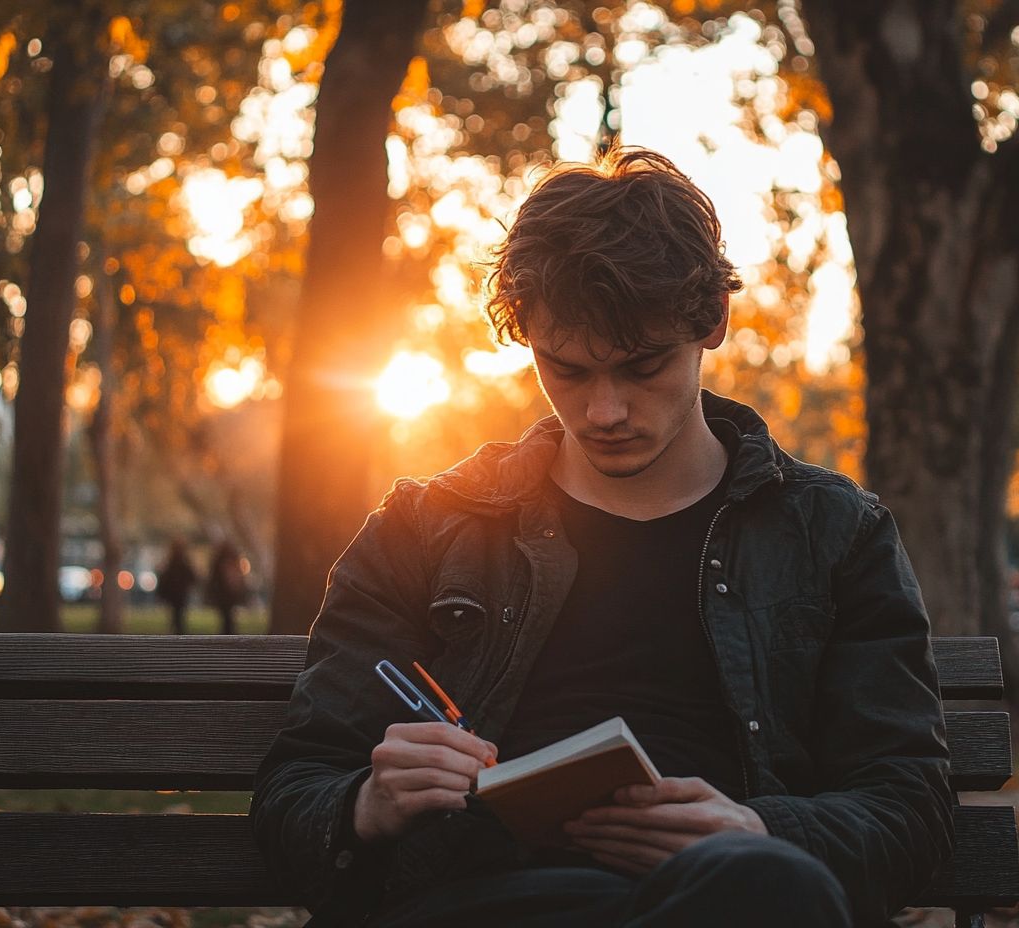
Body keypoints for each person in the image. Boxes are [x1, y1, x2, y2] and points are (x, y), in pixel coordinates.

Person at [252, 146, 953, 928]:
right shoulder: (424, 528)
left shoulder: (833, 535)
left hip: (722, 902)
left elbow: (908, 805)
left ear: (713, 319)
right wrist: (369, 803)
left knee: (768, 887)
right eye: (568, 371)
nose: (604, 412)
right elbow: (294, 791)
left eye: (643, 366)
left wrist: (760, 828)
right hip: (481, 902)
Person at [205, 539, 247, 636]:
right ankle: (229, 631)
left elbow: (213, 577)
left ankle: (227, 631)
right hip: (230, 592)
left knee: (225, 613)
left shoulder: (218, 559)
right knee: (229, 613)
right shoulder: (233, 558)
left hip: (222, 593)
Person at [156, 538, 197, 635]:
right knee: (179, 614)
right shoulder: (183, 561)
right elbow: (191, 576)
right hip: (180, 593)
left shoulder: (171, 561)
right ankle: (179, 630)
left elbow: (165, 577)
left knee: (176, 614)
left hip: (174, 593)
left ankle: (177, 630)